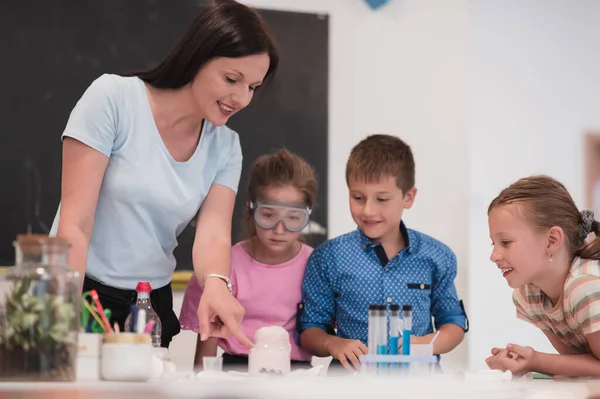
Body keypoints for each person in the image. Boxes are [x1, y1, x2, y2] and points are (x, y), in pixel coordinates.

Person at [49, 0, 279, 348]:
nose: (241, 98)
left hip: (149, 304)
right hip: (82, 291)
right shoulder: (113, 99)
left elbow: (213, 234)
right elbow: (75, 224)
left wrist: (217, 284)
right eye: (232, 79)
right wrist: (63, 317)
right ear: (197, 56)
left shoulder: (226, 146)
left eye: (252, 87)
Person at [298, 134, 468, 372]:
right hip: (351, 387)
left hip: (420, 386)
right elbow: (310, 329)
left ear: (408, 197)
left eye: (382, 199)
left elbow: (454, 324)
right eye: (358, 197)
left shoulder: (436, 256)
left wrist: (421, 344)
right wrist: (333, 343)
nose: (368, 210)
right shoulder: (328, 257)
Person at [179, 149, 317, 371]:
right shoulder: (219, 267)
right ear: (251, 209)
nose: (279, 229)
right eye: (268, 215)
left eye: (293, 218)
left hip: (297, 377)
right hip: (236, 374)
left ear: (307, 214)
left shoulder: (317, 266)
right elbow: (206, 351)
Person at [486, 175, 600, 378]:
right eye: (493, 243)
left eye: (505, 242)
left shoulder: (586, 287)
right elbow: (578, 363)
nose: (494, 256)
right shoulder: (528, 297)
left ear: (552, 240)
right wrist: (526, 362)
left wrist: (536, 360)